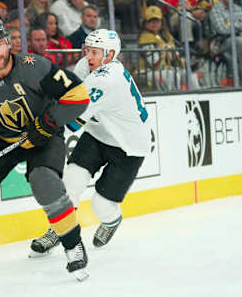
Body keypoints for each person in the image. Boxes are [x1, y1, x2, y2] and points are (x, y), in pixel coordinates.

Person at [0, 18, 90, 279]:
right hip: (3, 139)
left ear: (9, 43)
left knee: (45, 182)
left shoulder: (36, 67)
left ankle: (72, 243)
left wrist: (48, 123)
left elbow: (78, 95)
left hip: (43, 135)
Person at [30, 29, 151, 254]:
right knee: (71, 182)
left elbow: (73, 122)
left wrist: (42, 127)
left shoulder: (109, 79)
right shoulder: (85, 67)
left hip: (128, 145)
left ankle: (111, 221)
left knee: (101, 205)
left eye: (96, 52)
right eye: (88, 51)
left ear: (110, 54)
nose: (90, 57)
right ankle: (59, 230)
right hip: (98, 133)